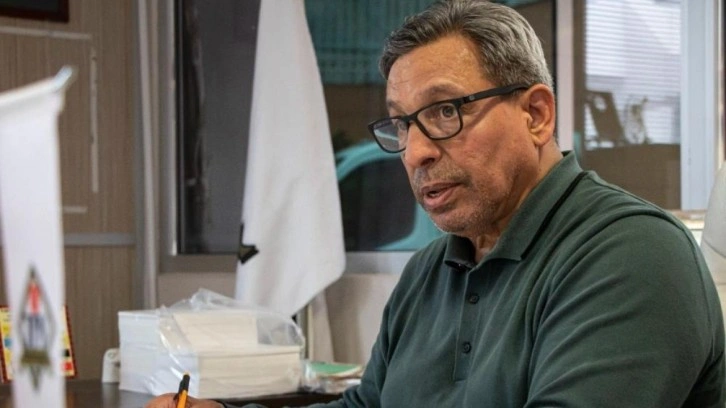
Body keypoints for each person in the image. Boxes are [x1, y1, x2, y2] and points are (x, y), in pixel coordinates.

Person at [146, 0, 725, 407]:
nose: (416, 151)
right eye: (402, 124)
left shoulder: (631, 255)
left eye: (445, 112)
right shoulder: (432, 269)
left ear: (536, 114)